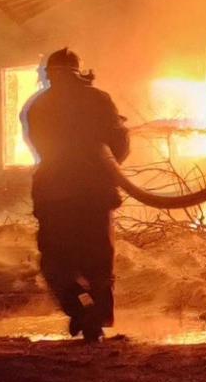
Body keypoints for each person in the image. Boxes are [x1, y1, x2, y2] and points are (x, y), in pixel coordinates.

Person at [21, 48, 130, 343]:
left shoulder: (38, 106)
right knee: (98, 260)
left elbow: (41, 147)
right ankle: (97, 315)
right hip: (93, 194)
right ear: (80, 71)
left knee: (56, 263)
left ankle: (79, 308)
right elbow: (118, 147)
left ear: (49, 74)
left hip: (54, 197)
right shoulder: (99, 99)